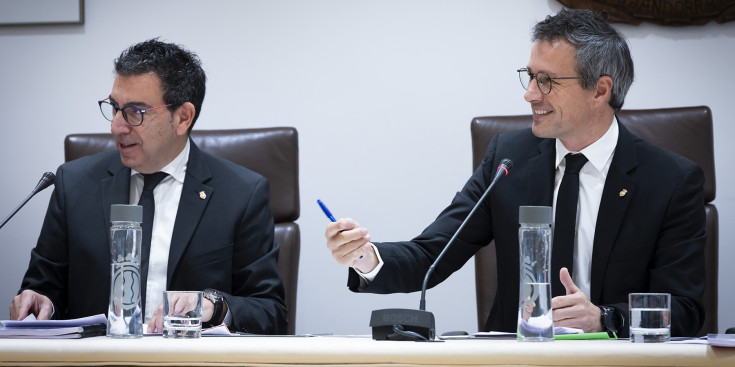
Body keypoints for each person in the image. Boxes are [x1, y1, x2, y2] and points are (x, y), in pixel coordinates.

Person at [325, 9, 705, 337]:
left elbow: (685, 308)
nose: (530, 95)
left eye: (548, 82)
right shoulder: (508, 159)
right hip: (518, 356)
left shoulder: (670, 181)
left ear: (600, 90)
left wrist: (605, 319)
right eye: (530, 76)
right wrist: (365, 257)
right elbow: (432, 254)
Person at [10, 38, 287, 334]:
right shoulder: (74, 184)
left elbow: (271, 312)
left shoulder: (241, 194)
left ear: (183, 118)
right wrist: (40, 302)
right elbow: (43, 289)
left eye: (135, 112)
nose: (117, 126)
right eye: (115, 107)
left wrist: (215, 305)